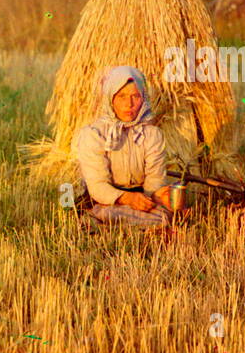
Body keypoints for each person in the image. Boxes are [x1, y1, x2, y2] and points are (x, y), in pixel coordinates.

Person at [74, 65, 177, 231]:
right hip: (106, 200)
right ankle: (101, 219)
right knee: (107, 212)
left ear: (143, 99)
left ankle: (113, 224)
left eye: (135, 96)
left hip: (140, 198)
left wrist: (155, 196)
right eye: (121, 96)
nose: (129, 104)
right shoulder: (94, 134)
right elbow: (98, 185)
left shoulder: (152, 134)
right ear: (110, 98)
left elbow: (154, 178)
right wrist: (126, 198)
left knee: (166, 213)